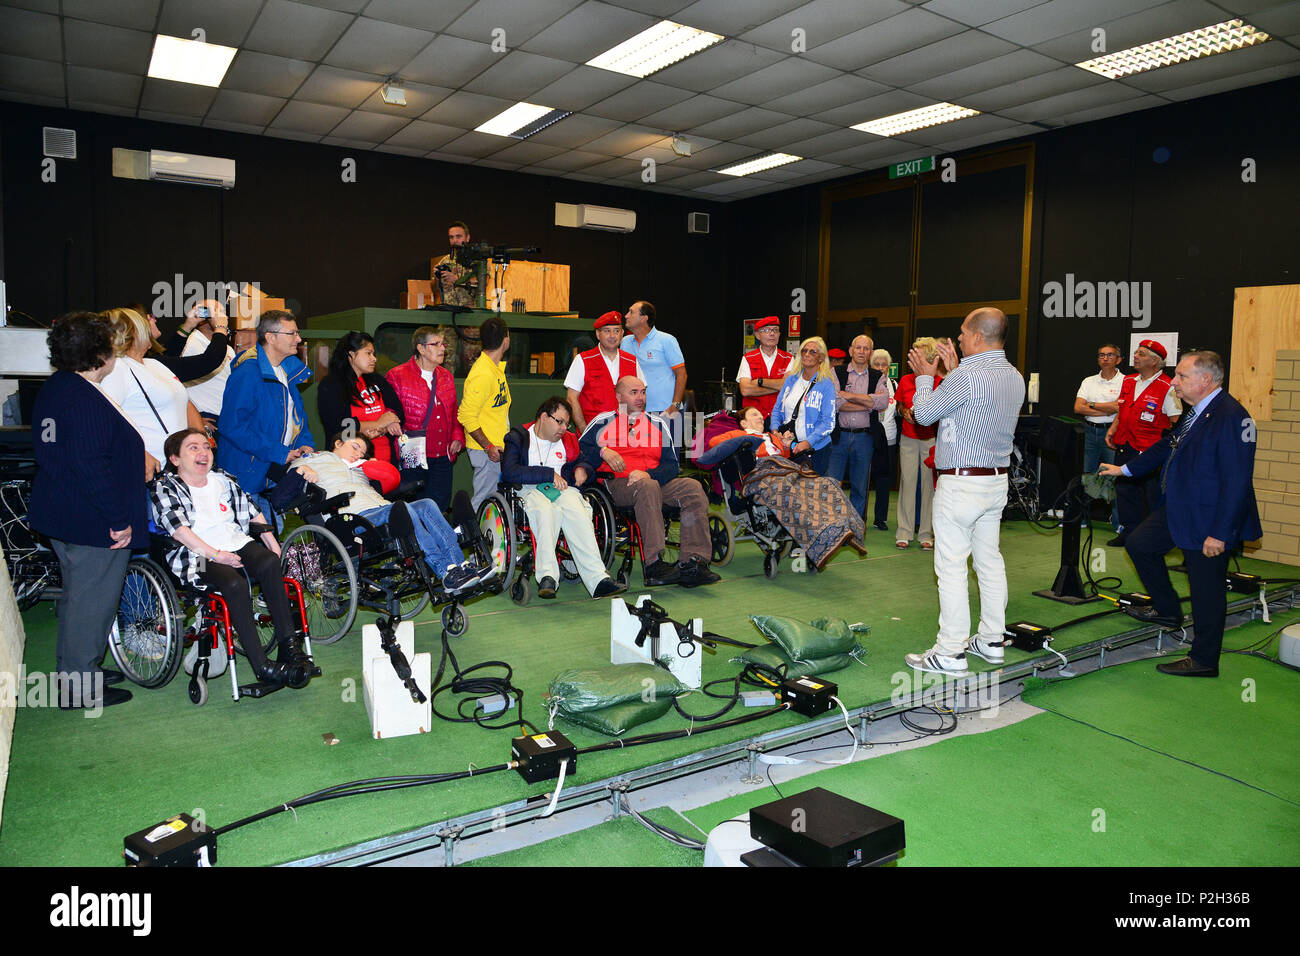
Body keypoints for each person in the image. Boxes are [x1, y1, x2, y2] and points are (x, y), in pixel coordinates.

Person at [1099, 352, 1261, 677]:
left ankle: (1203, 660)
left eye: (1182, 377)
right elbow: (1165, 446)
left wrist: (1221, 533)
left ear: (1206, 380)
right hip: (1181, 508)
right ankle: (1168, 611)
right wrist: (1125, 469)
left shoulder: (1233, 417)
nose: (1174, 382)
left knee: (1206, 589)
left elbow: (1237, 481)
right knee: (1141, 544)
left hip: (1210, 519)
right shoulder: (1196, 413)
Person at [29, 312, 145, 710]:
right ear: (101, 354)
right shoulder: (82, 399)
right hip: (91, 519)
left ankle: (80, 670)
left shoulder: (57, 388)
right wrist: (118, 520)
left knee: (79, 598)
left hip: (63, 512)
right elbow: (91, 464)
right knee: (91, 603)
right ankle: (80, 686)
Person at [903, 309, 1026, 677]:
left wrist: (926, 378)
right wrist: (952, 373)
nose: (957, 338)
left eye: (961, 332)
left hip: (961, 483)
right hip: (994, 482)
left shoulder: (968, 375)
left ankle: (950, 651)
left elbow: (923, 416)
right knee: (989, 561)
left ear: (977, 336)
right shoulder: (1014, 376)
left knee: (952, 567)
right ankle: (991, 639)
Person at [150, 429, 314, 688]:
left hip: (234, 542)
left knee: (270, 563)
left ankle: (289, 647)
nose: (203, 452)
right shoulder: (166, 487)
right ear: (175, 459)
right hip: (197, 555)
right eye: (193, 448)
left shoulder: (222, 479)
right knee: (233, 583)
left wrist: (271, 541)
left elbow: (251, 508)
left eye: (206, 446)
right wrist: (216, 555)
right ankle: (261, 665)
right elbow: (179, 531)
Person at [292, 435, 490, 593]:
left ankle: (459, 565)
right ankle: (443, 571)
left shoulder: (360, 469)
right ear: (338, 443)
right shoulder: (317, 459)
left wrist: (374, 466)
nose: (358, 453)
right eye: (354, 447)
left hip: (380, 509)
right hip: (351, 519)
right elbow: (291, 473)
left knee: (427, 504)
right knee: (404, 508)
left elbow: (389, 480)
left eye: (362, 452)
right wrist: (303, 468)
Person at [578, 376, 719, 588]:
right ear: (618, 396)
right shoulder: (603, 422)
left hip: (652, 481)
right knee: (648, 487)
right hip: (617, 484)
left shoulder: (658, 424)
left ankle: (693, 562)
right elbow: (578, 451)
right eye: (633, 392)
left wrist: (649, 474)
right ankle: (654, 563)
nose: (640, 397)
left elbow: (671, 466)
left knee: (692, 487)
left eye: (643, 392)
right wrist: (602, 451)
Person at [500, 397, 627, 600]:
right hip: (528, 490)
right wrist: (548, 474)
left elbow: (586, 464)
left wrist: (582, 469)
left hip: (562, 489)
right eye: (559, 421)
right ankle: (548, 576)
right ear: (544, 417)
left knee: (577, 509)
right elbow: (509, 472)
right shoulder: (518, 437)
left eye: (567, 424)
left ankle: (598, 580)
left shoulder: (569, 440)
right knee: (546, 510)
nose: (564, 428)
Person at [218, 309, 315, 526]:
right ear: (270, 337)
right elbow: (232, 426)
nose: (298, 340)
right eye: (292, 334)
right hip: (247, 478)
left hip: (272, 473)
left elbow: (298, 421)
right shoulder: (248, 373)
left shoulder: (287, 372)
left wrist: (305, 444)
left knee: (273, 539)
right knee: (256, 548)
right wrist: (280, 452)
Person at [99, 307, 206, 478]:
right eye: (144, 324)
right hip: (150, 471)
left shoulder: (155, 364)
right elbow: (104, 420)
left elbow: (184, 402)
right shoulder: (118, 367)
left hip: (178, 469)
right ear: (133, 332)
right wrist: (139, 452)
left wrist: (200, 440)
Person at [1105, 340, 1181, 547]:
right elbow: (1123, 410)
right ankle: (1128, 532)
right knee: (1125, 492)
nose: (1136, 356)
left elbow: (1176, 422)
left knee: (1151, 495)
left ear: (1156, 361)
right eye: (1136, 353)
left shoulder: (1168, 387)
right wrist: (1113, 429)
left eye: (1142, 354)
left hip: (1150, 451)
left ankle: (1154, 538)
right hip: (1125, 444)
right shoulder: (1128, 381)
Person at [386, 326, 464, 511]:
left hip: (443, 454)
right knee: (413, 505)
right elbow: (389, 411)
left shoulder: (446, 377)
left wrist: (457, 436)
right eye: (435, 344)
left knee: (440, 505)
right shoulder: (397, 376)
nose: (442, 348)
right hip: (413, 453)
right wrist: (391, 421)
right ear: (421, 348)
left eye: (443, 344)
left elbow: (454, 412)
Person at [317, 331, 406, 467]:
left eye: (373, 354)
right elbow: (339, 425)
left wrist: (383, 426)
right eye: (368, 353)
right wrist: (378, 423)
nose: (374, 359)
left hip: (386, 462)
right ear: (351, 355)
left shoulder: (377, 380)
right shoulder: (331, 385)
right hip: (351, 465)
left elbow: (398, 411)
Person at [827, 334, 890, 516]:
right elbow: (836, 402)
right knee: (832, 485)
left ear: (870, 352)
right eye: (858, 347)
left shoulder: (878, 376)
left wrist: (849, 395)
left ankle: (855, 531)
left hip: (864, 438)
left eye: (866, 348)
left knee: (860, 487)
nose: (862, 351)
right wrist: (867, 403)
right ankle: (832, 528)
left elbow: (882, 402)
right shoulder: (836, 372)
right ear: (851, 351)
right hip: (839, 437)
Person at [894, 337, 947, 550]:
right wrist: (903, 411)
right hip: (907, 438)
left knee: (929, 487)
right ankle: (904, 532)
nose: (914, 356)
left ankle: (926, 533)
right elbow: (899, 405)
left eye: (920, 353)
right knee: (907, 483)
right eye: (914, 352)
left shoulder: (939, 383)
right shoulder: (906, 380)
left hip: (930, 439)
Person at [459, 315, 511, 510]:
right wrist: (488, 446)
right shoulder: (483, 373)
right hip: (487, 451)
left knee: (492, 499)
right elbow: (465, 415)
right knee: (484, 500)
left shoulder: (495, 369)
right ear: (506, 340)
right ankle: (470, 537)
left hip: (497, 447)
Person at [565, 310, 643, 434]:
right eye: (607, 331)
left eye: (616, 331)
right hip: (594, 434)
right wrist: (584, 431)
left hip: (626, 436)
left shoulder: (632, 361)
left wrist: (634, 428)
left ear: (622, 334)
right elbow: (571, 398)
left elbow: (641, 399)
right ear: (598, 334)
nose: (612, 336)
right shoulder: (583, 360)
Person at [1074, 343, 1124, 530]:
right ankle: (1084, 519)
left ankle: (1119, 523)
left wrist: (1092, 403)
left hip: (1112, 432)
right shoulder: (1089, 381)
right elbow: (1078, 408)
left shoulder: (1126, 381)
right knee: (1088, 476)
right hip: (1089, 431)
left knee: (1115, 477)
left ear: (1118, 359)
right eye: (1101, 355)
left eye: (1110, 355)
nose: (1105, 358)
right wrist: (1107, 407)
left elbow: (1120, 408)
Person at [770, 336, 837, 475]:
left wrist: (808, 442)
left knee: (811, 494)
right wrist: (775, 433)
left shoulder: (826, 384)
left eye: (813, 352)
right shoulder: (791, 380)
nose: (807, 354)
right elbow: (777, 410)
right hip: (789, 447)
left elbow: (828, 423)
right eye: (804, 351)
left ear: (821, 358)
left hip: (816, 449)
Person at [173, 300, 236, 434]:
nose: (223, 317)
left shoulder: (228, 348)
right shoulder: (188, 342)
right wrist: (192, 418)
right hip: (205, 417)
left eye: (223, 313)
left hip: (227, 417)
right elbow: (173, 381)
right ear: (202, 317)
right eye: (217, 312)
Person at [621, 300, 685, 416]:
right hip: (635, 411)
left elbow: (682, 375)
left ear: (643, 318)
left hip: (666, 411)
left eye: (631, 312)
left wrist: (675, 405)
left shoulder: (667, 340)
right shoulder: (625, 342)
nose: (626, 316)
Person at [736, 316, 792, 425]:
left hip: (780, 419)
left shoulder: (789, 358)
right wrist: (779, 386)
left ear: (779, 335)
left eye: (775, 330)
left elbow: (790, 386)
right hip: (753, 420)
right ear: (757, 335)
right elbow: (745, 390)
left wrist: (759, 382)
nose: (772, 334)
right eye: (767, 330)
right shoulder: (748, 358)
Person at [869, 348, 898, 532]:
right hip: (869, 437)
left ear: (889, 367)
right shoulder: (867, 383)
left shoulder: (895, 384)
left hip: (889, 437)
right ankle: (859, 516)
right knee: (864, 479)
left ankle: (880, 518)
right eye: (877, 364)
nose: (880, 368)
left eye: (883, 364)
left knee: (884, 480)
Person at [707, 405, 790, 458]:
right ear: (744, 423)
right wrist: (742, 446)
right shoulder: (739, 435)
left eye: (761, 415)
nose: (761, 417)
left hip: (782, 469)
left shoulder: (772, 437)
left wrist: (786, 446)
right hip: (759, 473)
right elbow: (713, 442)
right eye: (755, 415)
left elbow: (786, 458)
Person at [434, 220, 478, 308]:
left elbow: (483, 283)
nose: (454, 240)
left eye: (458, 236)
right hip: (448, 314)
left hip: (470, 314)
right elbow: (437, 290)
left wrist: (457, 280)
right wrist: (436, 277)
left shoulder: (478, 260)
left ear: (467, 238)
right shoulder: (444, 261)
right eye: (451, 237)